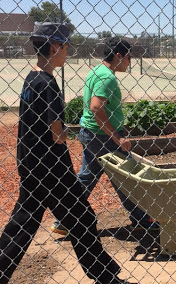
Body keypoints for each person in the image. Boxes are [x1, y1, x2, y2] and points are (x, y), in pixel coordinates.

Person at [0, 23, 140, 284]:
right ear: (55, 47)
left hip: (32, 164)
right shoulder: (48, 83)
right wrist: (67, 133)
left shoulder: (31, 79)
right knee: (82, 218)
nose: (67, 52)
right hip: (52, 167)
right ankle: (107, 281)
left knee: (23, 227)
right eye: (66, 47)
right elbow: (56, 133)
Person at [51, 36, 157, 236]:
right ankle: (142, 219)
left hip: (92, 134)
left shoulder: (97, 71)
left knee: (87, 177)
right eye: (128, 58)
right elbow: (96, 108)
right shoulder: (106, 77)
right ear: (118, 55)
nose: (129, 62)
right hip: (103, 138)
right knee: (126, 177)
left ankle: (65, 219)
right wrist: (118, 138)